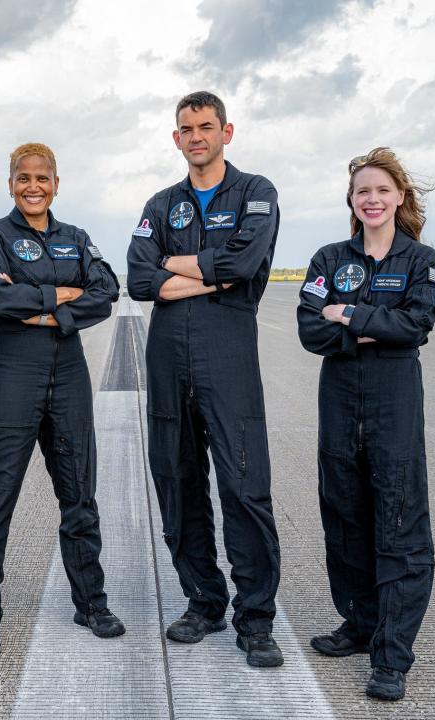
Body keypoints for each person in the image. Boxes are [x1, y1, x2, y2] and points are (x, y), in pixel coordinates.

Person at [126, 91, 283, 668]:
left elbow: (245, 265)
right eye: (186, 128)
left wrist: (174, 264)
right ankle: (204, 600)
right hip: (169, 358)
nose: (196, 136)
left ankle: (257, 619)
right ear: (176, 138)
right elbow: (138, 278)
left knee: (244, 488)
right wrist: (209, 273)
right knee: (177, 481)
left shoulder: (256, 193)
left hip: (228, 355)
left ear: (227, 131)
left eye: (206, 126)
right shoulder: (161, 203)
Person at [0, 142, 124, 657]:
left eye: (43, 178)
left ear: (57, 183)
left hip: (68, 372)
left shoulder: (76, 237)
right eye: (23, 178)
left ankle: (90, 601)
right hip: (15, 371)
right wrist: (63, 294)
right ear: (10, 183)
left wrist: (38, 305)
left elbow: (107, 289)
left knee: (79, 495)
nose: (34, 186)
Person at [296, 147, 435, 701]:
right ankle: (358, 625)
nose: (373, 199)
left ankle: (392, 654)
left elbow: (416, 325)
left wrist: (350, 314)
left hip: (394, 401)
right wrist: (367, 325)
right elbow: (311, 330)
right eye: (363, 191)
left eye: (382, 190)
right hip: (339, 402)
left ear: (399, 197)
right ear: (352, 202)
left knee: (400, 524)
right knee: (345, 517)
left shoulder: (422, 260)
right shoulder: (329, 258)